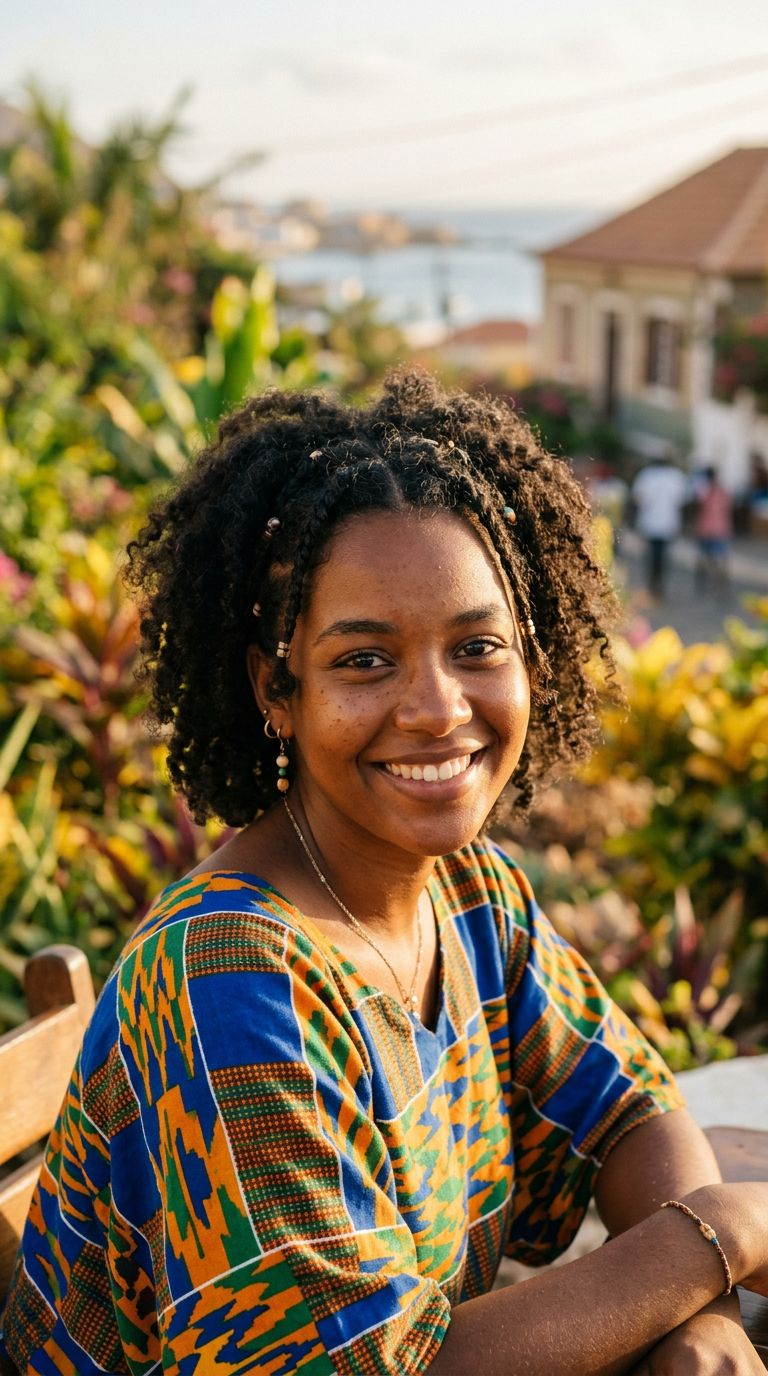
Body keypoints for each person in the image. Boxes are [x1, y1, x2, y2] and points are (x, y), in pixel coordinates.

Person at [3, 370, 768, 1375]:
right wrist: (713, 1236)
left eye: (478, 644)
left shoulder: (470, 895)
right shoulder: (232, 977)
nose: (437, 706)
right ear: (276, 686)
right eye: (365, 659)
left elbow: (624, 1106)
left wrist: (697, 1316)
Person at [630, 454, 688, 599]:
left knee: (651, 556)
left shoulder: (646, 475)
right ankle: (659, 585)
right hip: (668, 524)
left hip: (649, 523)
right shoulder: (676, 476)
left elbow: (638, 497)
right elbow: (682, 500)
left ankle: (652, 584)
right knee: (662, 557)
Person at [693, 465, 733, 590]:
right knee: (719, 556)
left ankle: (708, 581)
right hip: (720, 528)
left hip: (706, 528)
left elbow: (698, 506)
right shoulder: (722, 491)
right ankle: (719, 579)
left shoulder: (704, 490)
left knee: (706, 557)